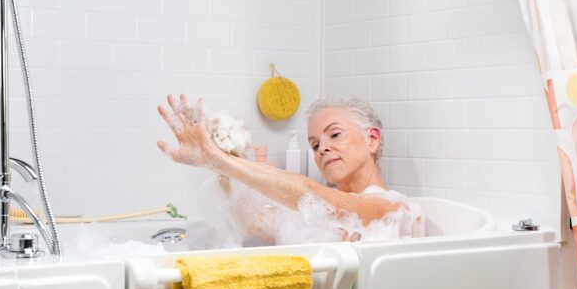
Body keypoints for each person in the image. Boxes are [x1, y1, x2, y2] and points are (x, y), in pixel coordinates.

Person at [157, 94, 424, 243]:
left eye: (334, 135)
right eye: (315, 144)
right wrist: (223, 162)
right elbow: (251, 221)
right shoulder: (310, 217)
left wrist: (220, 159)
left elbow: (310, 194)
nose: (322, 148)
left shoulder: (395, 210)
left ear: (372, 139)